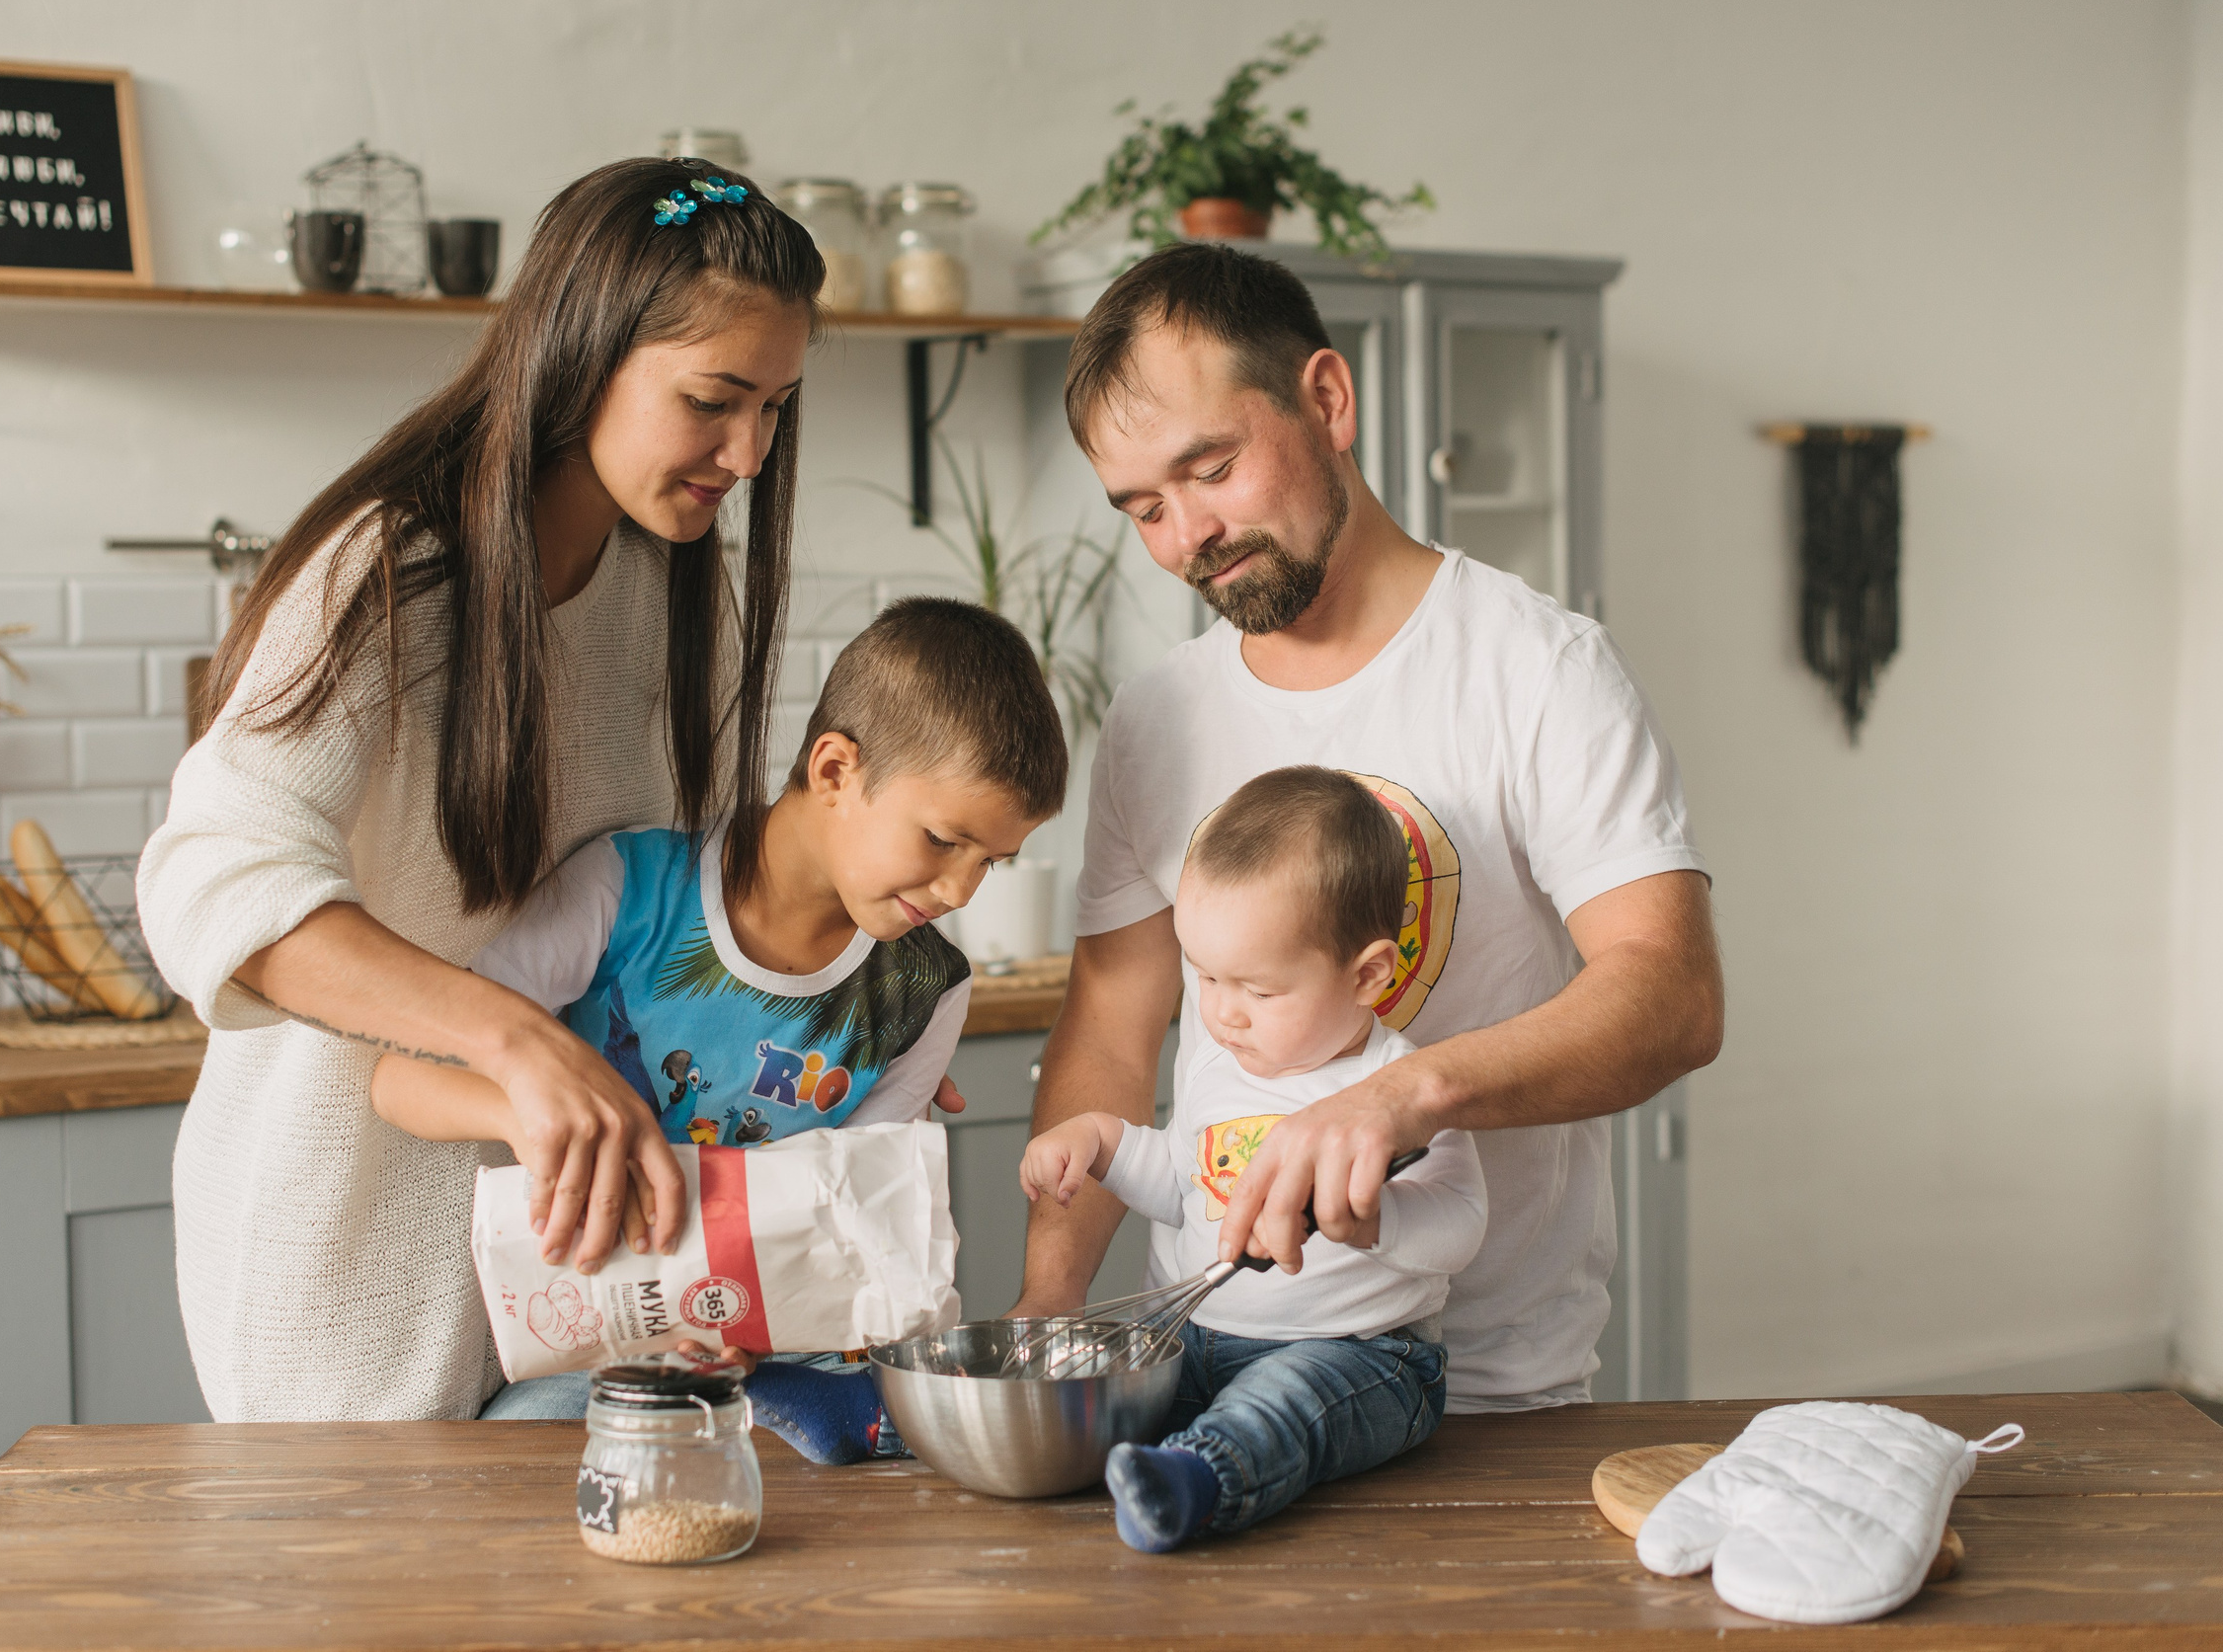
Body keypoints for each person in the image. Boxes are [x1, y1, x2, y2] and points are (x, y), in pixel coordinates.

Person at [138, 159, 834, 1422]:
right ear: (584, 356)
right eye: (713, 400)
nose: (748, 451)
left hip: (568, 1262)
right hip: (344, 1261)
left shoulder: (680, 596)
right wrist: (510, 1036)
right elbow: (213, 875)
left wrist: (832, 1006)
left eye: (776, 407)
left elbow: (673, 913)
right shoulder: (390, 570)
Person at [1018, 243, 1723, 1412]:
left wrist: (1404, 1095)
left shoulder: (1536, 669)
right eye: (1144, 506)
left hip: (1484, 1387)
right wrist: (1050, 1310)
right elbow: (1111, 1024)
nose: (1187, 532)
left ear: (1328, 400)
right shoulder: (1156, 719)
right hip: (1205, 1358)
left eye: (1212, 468)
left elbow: (1671, 993)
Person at [373, 597, 1070, 1455]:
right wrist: (525, 1112)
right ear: (835, 771)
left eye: (990, 862)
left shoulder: (925, 986)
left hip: (793, 1354)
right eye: (940, 840)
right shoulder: (625, 894)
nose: (961, 892)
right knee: (515, 1449)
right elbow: (397, 1075)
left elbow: (860, 1225)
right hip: (600, 1340)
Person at [1021, 766, 1484, 1551]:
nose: (1222, 1012)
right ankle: (883, 1420)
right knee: (1087, 1396)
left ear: (1368, 973)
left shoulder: (1397, 1085)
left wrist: (1378, 1221)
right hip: (1191, 1342)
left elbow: (1462, 1227)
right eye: (1203, 976)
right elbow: (1184, 1184)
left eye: (1260, 990)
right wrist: (1100, 1141)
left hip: (1356, 1355)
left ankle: (1199, 1482)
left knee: (1281, 1405)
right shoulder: (1217, 1065)